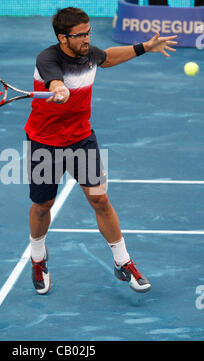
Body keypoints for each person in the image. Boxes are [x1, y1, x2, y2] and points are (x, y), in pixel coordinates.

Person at [24, 7, 177, 295]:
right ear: (62, 37)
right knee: (43, 206)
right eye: (79, 35)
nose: (86, 38)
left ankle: (123, 262)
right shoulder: (47, 58)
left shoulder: (88, 53)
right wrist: (58, 88)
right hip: (44, 142)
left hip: (81, 140)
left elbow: (108, 57)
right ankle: (38, 258)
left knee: (100, 200)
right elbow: (53, 78)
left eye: (88, 32)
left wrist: (146, 47)